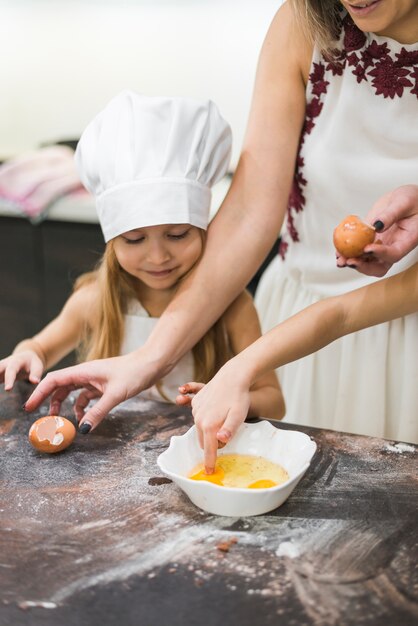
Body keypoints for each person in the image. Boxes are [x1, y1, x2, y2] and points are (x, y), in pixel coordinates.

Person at [24, 2, 418, 453]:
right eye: (134, 238)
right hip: (301, 325)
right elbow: (251, 211)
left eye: (175, 234)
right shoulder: (304, 20)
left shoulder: (241, 319)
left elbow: (339, 318)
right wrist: (149, 359)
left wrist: (245, 364)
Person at [1, 91, 284, 427]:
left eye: (177, 234)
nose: (158, 255)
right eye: (134, 239)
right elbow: (38, 348)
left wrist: (225, 395)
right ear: (111, 243)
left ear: (205, 230)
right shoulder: (95, 301)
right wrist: (27, 354)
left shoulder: (233, 307)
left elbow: (274, 401)